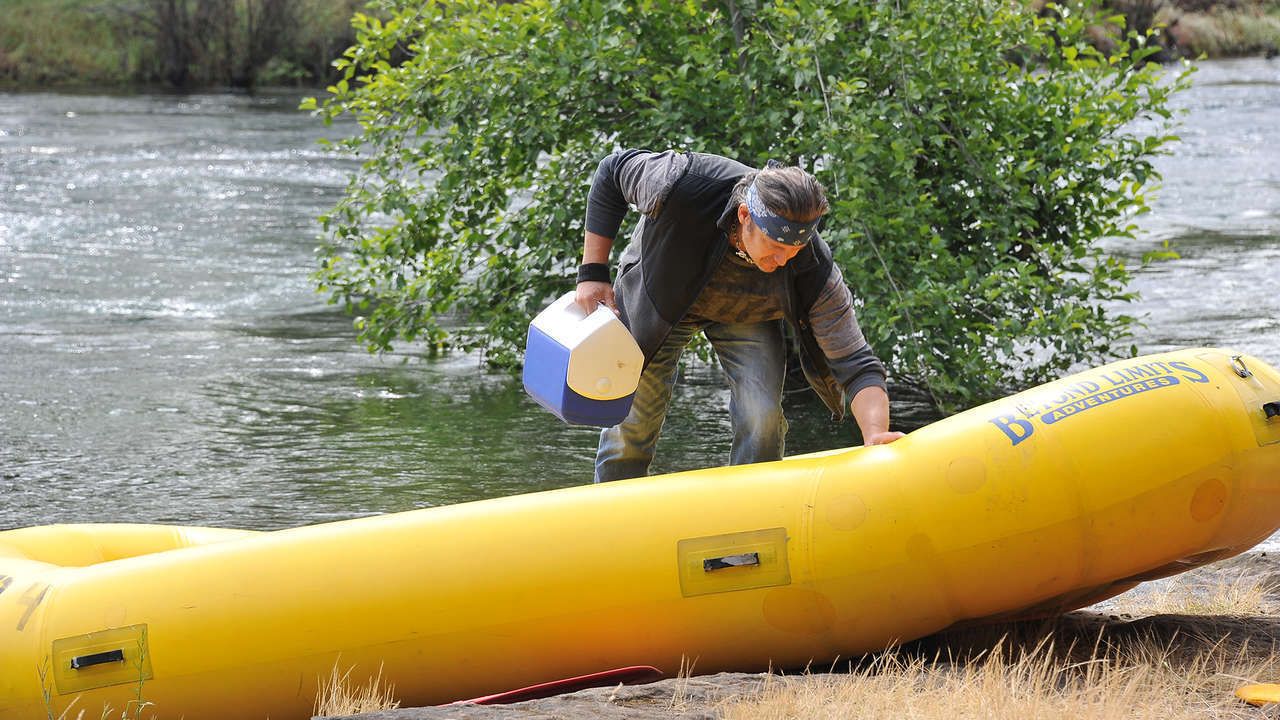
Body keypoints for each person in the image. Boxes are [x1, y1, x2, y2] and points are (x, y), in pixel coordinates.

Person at [575, 149, 904, 483]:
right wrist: (592, 272)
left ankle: (752, 507)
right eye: (774, 246)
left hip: (748, 312)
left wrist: (875, 434)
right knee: (633, 417)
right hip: (661, 292)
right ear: (745, 216)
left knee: (761, 417)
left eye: (793, 251)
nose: (782, 261)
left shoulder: (811, 268)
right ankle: (614, 506)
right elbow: (612, 170)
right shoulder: (680, 181)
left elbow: (857, 364)